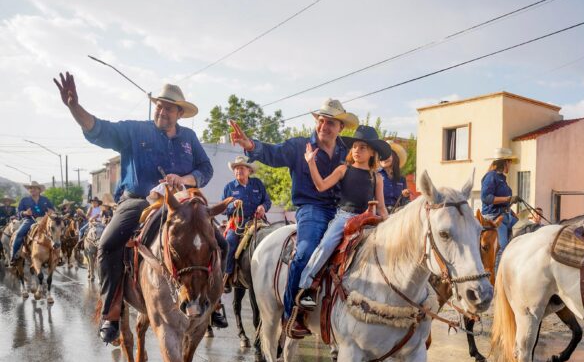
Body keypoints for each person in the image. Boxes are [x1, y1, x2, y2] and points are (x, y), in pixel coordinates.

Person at [54, 72, 215, 343]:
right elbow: (98, 129)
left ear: (179, 113)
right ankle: (112, 313)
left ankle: (213, 302)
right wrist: (74, 107)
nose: (162, 111)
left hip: (181, 203)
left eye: (168, 107)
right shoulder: (134, 131)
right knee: (107, 244)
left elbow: (206, 169)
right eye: (159, 105)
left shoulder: (189, 137)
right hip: (138, 201)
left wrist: (185, 179)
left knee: (218, 240)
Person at [230, 98, 358, 338]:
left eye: (331, 122)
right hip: (312, 208)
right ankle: (293, 313)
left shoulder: (347, 152)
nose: (324, 126)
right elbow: (273, 153)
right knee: (306, 251)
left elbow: (365, 169)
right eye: (322, 121)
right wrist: (249, 144)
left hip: (344, 209)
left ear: (340, 127)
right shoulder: (299, 146)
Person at [296, 125, 390, 315]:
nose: (356, 150)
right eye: (354, 146)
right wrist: (311, 164)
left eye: (362, 147)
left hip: (369, 220)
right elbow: (321, 186)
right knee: (325, 246)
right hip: (345, 218)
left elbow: (381, 207)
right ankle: (306, 288)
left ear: (372, 153)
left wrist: (389, 224)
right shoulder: (343, 169)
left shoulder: (376, 178)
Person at [221, 156, 271, 292]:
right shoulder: (229, 187)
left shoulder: (257, 184)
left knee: (272, 237)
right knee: (229, 242)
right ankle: (227, 274)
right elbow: (222, 208)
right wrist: (232, 205)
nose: (238, 171)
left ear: (249, 171)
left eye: (241, 168)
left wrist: (263, 207)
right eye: (236, 169)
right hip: (237, 224)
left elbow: (267, 201)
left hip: (257, 220)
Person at [480, 148, 520, 270]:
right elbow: (486, 198)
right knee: (502, 248)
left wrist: (512, 212)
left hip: (506, 216)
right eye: (510, 162)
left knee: (525, 229)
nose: (511, 165)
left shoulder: (502, 178)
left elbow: (504, 202)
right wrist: (508, 199)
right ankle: (497, 281)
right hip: (494, 219)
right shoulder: (490, 177)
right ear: (505, 162)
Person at [11, 181, 55, 261]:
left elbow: (52, 210)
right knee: (19, 234)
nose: (32, 190)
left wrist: (51, 211)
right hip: (29, 220)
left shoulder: (45, 200)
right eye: (30, 188)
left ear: (39, 190)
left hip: (44, 221)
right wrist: (25, 213)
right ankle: (14, 256)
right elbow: (18, 213)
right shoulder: (24, 200)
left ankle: (58, 256)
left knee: (56, 232)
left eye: (34, 188)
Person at [379, 140, 410, 213]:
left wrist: (405, 196)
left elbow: (405, 202)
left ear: (394, 157)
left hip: (397, 216)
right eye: (381, 155)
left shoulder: (401, 179)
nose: (383, 158)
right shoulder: (376, 175)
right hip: (379, 216)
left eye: (387, 155)